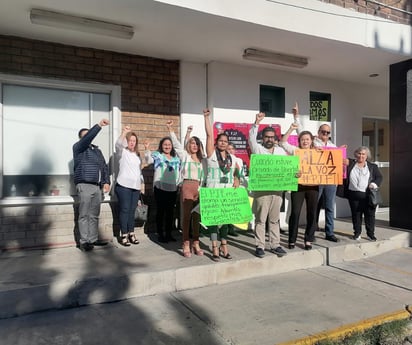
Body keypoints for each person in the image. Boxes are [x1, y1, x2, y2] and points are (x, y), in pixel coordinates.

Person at [293, 106, 345, 242]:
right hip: (315, 180)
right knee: (314, 207)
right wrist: (296, 116)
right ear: (318, 132)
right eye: (323, 131)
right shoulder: (313, 142)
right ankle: (312, 232)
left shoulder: (333, 147)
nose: (325, 134)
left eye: (328, 132)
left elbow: (337, 162)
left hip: (330, 181)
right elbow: (301, 131)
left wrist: (344, 160)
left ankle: (329, 232)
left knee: (329, 207)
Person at [248, 112, 288, 258]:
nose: (269, 139)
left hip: (277, 191)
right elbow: (251, 138)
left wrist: (294, 174)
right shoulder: (258, 149)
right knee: (260, 219)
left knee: (274, 219)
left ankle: (275, 244)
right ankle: (260, 246)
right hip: (262, 191)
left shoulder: (280, 152)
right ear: (263, 138)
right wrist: (256, 122)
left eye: (272, 137)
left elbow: (287, 168)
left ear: (275, 138)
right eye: (267, 137)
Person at [203, 108, 240, 261]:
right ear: (217, 143)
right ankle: (214, 246)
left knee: (225, 219)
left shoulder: (231, 158)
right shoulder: (211, 154)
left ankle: (224, 244)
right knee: (213, 219)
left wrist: (237, 178)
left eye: (225, 141)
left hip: (227, 191)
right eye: (221, 141)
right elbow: (209, 134)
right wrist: (206, 118)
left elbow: (237, 171)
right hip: (213, 190)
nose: (223, 143)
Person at [167, 120, 206, 257]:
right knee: (187, 216)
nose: (194, 146)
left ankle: (196, 242)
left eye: (197, 144)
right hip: (187, 186)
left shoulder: (202, 160)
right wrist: (170, 129)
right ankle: (186, 242)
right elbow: (178, 146)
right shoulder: (185, 156)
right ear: (188, 145)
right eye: (192, 143)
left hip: (199, 188)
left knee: (197, 217)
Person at [73, 119, 111, 252]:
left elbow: (104, 167)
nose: (88, 137)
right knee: (84, 214)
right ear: (81, 139)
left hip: (96, 186)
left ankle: (93, 239)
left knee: (94, 214)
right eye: (85, 135)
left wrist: (106, 181)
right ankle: (84, 242)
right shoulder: (78, 148)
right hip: (84, 184)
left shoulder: (97, 151)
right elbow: (87, 139)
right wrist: (99, 126)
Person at [280, 122, 318, 250]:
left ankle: (308, 239)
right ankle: (292, 239)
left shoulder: (318, 152)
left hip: (313, 186)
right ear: (299, 141)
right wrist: (291, 128)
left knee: (312, 213)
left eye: (307, 139)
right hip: (299, 185)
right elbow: (283, 143)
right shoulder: (295, 151)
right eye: (302, 139)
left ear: (311, 140)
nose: (305, 141)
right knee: (295, 213)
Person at [144, 134, 181, 243]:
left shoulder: (176, 159)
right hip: (160, 188)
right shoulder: (158, 156)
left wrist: (178, 184)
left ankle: (169, 234)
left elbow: (178, 173)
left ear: (172, 147)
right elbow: (148, 160)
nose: (167, 146)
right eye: (165, 144)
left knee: (170, 213)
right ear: (161, 146)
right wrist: (147, 149)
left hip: (173, 189)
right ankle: (160, 234)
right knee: (161, 212)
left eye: (169, 145)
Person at [343, 146, 382, 241]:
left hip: (368, 195)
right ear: (356, 154)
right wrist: (341, 149)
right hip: (353, 195)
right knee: (356, 215)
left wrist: (373, 184)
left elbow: (379, 177)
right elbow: (339, 158)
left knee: (370, 215)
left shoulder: (373, 167)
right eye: (359, 153)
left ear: (367, 155)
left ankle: (370, 234)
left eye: (363, 154)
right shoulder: (350, 163)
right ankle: (357, 233)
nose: (361, 156)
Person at [115, 126, 142, 247]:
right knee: (125, 210)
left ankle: (131, 233)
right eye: (130, 140)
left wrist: (141, 186)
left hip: (135, 187)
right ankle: (124, 234)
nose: (132, 142)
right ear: (127, 141)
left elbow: (139, 171)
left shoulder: (136, 155)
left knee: (132, 211)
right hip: (123, 186)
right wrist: (124, 132)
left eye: (134, 141)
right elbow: (118, 144)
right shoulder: (123, 152)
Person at [225, 142, 246, 237]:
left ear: (235, 150)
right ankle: (224, 228)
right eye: (228, 149)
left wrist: (238, 178)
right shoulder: (224, 160)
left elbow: (242, 173)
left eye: (232, 149)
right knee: (226, 209)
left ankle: (232, 228)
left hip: (236, 186)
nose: (230, 150)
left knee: (233, 209)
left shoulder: (239, 160)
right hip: (227, 186)